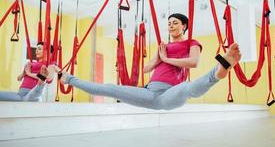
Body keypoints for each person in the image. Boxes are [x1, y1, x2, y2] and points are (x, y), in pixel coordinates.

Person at [48, 13, 241, 110]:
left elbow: (193, 63)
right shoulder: (162, 47)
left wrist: (166, 58)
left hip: (170, 93)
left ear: (184, 26)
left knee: (187, 88)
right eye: (169, 23)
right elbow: (147, 69)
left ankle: (220, 69)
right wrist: (158, 57)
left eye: (175, 23)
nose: (171, 26)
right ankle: (67, 78)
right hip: (149, 92)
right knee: (108, 88)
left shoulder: (192, 42)